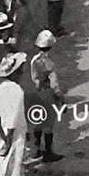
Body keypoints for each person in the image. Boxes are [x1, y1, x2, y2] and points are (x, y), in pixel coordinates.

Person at [28, 31, 63, 163]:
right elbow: (55, 85)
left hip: (36, 92)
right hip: (47, 93)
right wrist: (61, 98)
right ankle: (48, 153)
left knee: (37, 121)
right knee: (48, 125)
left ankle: (36, 150)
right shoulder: (49, 64)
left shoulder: (34, 60)